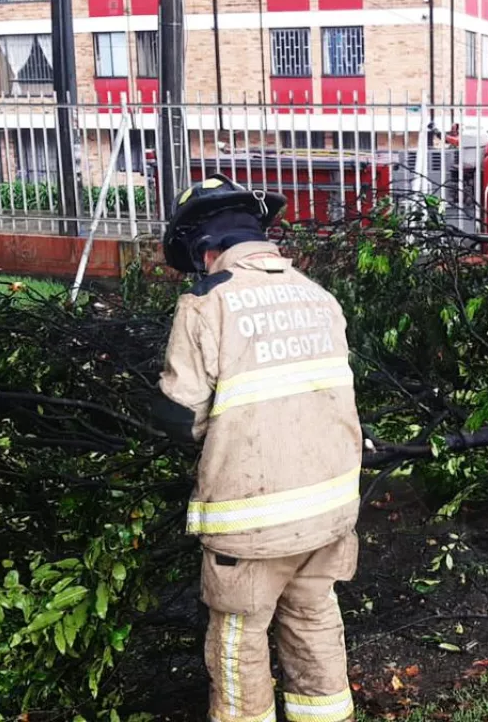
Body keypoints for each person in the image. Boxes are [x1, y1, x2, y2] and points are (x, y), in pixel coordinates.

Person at [153, 174, 363, 722]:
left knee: (238, 639)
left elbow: (180, 418)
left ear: (205, 250)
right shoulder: (320, 298)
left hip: (252, 524)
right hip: (330, 511)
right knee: (314, 619)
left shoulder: (207, 304)